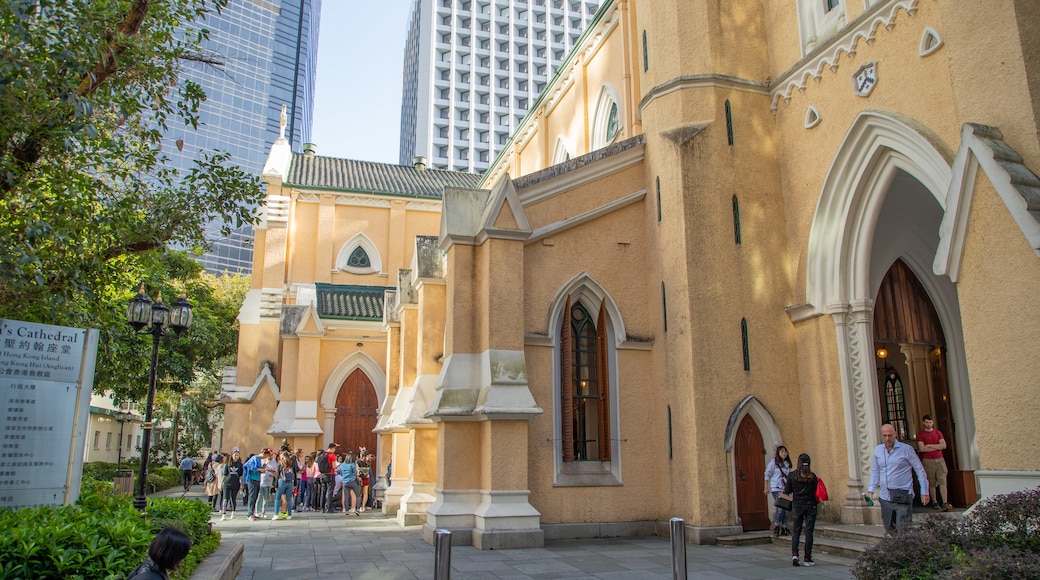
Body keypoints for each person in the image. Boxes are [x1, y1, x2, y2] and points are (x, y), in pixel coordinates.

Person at [868, 423, 930, 533]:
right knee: (889, 527)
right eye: (885, 436)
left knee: (903, 528)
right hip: (885, 496)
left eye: (890, 435)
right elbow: (875, 471)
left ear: (895, 434)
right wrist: (871, 489)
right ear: (881, 436)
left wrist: (924, 491)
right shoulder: (878, 450)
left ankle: (903, 548)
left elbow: (919, 470)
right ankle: (897, 547)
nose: (887, 438)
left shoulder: (906, 449)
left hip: (903, 494)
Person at [785, 453, 819, 567]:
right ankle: (807, 557)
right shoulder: (813, 477)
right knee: (809, 532)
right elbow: (815, 490)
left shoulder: (792, 476)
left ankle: (795, 554)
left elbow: (787, 490)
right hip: (810, 505)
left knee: (796, 531)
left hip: (797, 505)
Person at [125, 526, 192, 579]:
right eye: (181, 556)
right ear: (172, 555)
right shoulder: (151, 576)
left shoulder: (148, 568)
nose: (182, 560)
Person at [916, 414, 952, 511]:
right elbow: (922, 448)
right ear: (924, 422)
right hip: (928, 460)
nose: (928, 424)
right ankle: (934, 501)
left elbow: (944, 445)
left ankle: (945, 502)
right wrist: (936, 446)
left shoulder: (938, 433)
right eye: (927, 422)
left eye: (930, 422)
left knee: (942, 481)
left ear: (933, 423)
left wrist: (930, 446)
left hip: (940, 459)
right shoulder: (921, 434)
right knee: (931, 482)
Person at [764, 445, 793, 536]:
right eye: (782, 452)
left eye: (785, 452)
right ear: (778, 453)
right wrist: (766, 487)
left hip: (785, 488)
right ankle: (776, 526)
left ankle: (784, 527)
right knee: (780, 507)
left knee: (785, 508)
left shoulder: (788, 464)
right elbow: (767, 474)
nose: (784, 454)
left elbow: (790, 476)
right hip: (776, 488)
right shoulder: (773, 463)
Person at [243, 448, 270, 520]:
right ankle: (249, 514)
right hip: (252, 479)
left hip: (257, 479)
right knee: (252, 496)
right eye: (266, 455)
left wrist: (263, 468)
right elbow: (248, 466)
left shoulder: (260, 460)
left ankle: (253, 512)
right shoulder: (254, 458)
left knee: (255, 497)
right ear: (264, 453)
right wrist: (259, 469)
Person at [272, 451, 298, 520]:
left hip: (282, 482)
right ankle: (289, 515)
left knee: (277, 498)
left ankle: (276, 514)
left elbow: (277, 475)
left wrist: (276, 485)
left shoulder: (280, 463)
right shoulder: (291, 463)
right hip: (290, 482)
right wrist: (295, 484)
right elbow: (295, 473)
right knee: (288, 499)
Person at [221, 448, 244, 520]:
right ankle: (224, 514)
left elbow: (241, 475)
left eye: (237, 455)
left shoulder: (240, 465)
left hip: (235, 483)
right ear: (232, 455)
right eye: (235, 455)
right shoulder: (228, 464)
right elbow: (224, 475)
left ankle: (233, 512)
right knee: (225, 498)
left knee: (233, 498)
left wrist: (241, 484)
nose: (236, 456)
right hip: (227, 483)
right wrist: (221, 483)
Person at [319, 442, 339, 513]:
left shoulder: (322, 454)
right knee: (330, 491)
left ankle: (322, 508)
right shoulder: (332, 455)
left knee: (323, 491)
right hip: (330, 474)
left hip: (322, 474)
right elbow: (333, 466)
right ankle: (329, 508)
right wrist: (338, 466)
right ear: (333, 448)